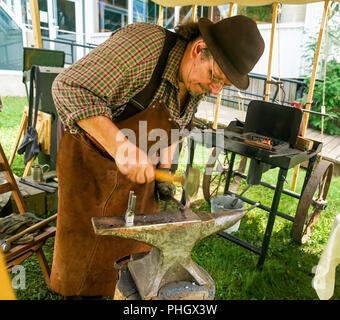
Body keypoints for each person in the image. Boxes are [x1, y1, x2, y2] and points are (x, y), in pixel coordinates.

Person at [50, 15, 264, 299]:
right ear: (199, 49)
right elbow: (68, 88)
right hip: (90, 164)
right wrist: (121, 147)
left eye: (223, 84)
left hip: (136, 174)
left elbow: (172, 125)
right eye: (215, 77)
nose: (215, 89)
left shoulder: (196, 80)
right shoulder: (143, 49)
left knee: (136, 259)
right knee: (82, 263)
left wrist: (165, 172)